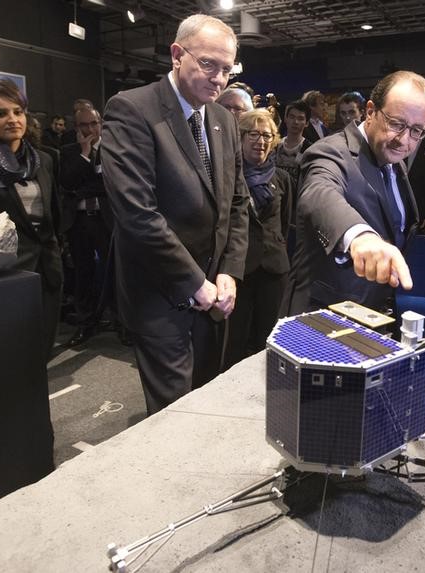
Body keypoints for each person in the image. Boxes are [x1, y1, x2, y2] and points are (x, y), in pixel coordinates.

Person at [101, 14, 250, 415]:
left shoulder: (222, 119)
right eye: (208, 65)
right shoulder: (132, 109)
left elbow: (236, 203)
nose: (219, 79)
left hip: (215, 294)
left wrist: (229, 272)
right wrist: (194, 282)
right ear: (177, 55)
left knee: (208, 398)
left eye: (226, 69)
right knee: (175, 415)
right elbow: (137, 214)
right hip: (161, 294)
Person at [283, 70, 425, 314]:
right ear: (371, 111)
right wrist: (360, 236)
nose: (404, 140)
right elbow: (319, 193)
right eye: (396, 124)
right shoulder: (330, 152)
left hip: (376, 313)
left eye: (417, 130)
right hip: (324, 317)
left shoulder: (394, 159)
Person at [0, 79, 63, 356]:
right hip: (5, 269)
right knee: (9, 349)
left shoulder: (45, 159)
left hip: (47, 263)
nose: (12, 119)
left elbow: (54, 212)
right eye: (0, 113)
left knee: (43, 344)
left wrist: (57, 249)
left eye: (18, 111)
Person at [223, 109, 293, 368]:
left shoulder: (282, 178)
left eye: (267, 135)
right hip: (237, 269)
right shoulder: (227, 176)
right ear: (240, 137)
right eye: (254, 134)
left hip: (274, 269)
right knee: (234, 339)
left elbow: (285, 224)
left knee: (269, 338)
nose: (260, 141)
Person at [59, 107, 118, 346]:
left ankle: (121, 322)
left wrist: (82, 187)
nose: (90, 129)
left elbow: (110, 185)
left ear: (101, 123)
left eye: (94, 123)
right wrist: (84, 155)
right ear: (77, 127)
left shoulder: (114, 149)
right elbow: (66, 183)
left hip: (106, 219)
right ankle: (86, 323)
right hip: (79, 221)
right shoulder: (68, 152)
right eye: (84, 125)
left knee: (114, 271)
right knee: (83, 273)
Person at [274, 99, 311, 189]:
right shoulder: (274, 146)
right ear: (285, 119)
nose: (295, 122)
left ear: (307, 123)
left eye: (300, 118)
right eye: (292, 117)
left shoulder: (310, 149)